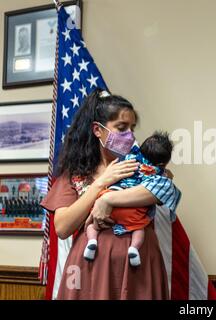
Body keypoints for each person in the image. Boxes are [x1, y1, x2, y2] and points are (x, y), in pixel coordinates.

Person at [41, 89, 178, 299]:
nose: (130, 135)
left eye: (132, 128)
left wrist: (107, 199)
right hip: (90, 270)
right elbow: (63, 227)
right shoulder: (76, 174)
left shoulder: (141, 165)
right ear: (98, 130)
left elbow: (161, 189)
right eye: (122, 128)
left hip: (139, 267)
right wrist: (101, 184)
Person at [83, 131, 180, 267]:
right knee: (139, 229)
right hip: (133, 213)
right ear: (162, 163)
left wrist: (105, 199)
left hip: (108, 207)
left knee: (92, 226)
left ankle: (92, 241)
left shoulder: (128, 158)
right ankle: (134, 248)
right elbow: (166, 187)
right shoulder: (159, 175)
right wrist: (165, 174)